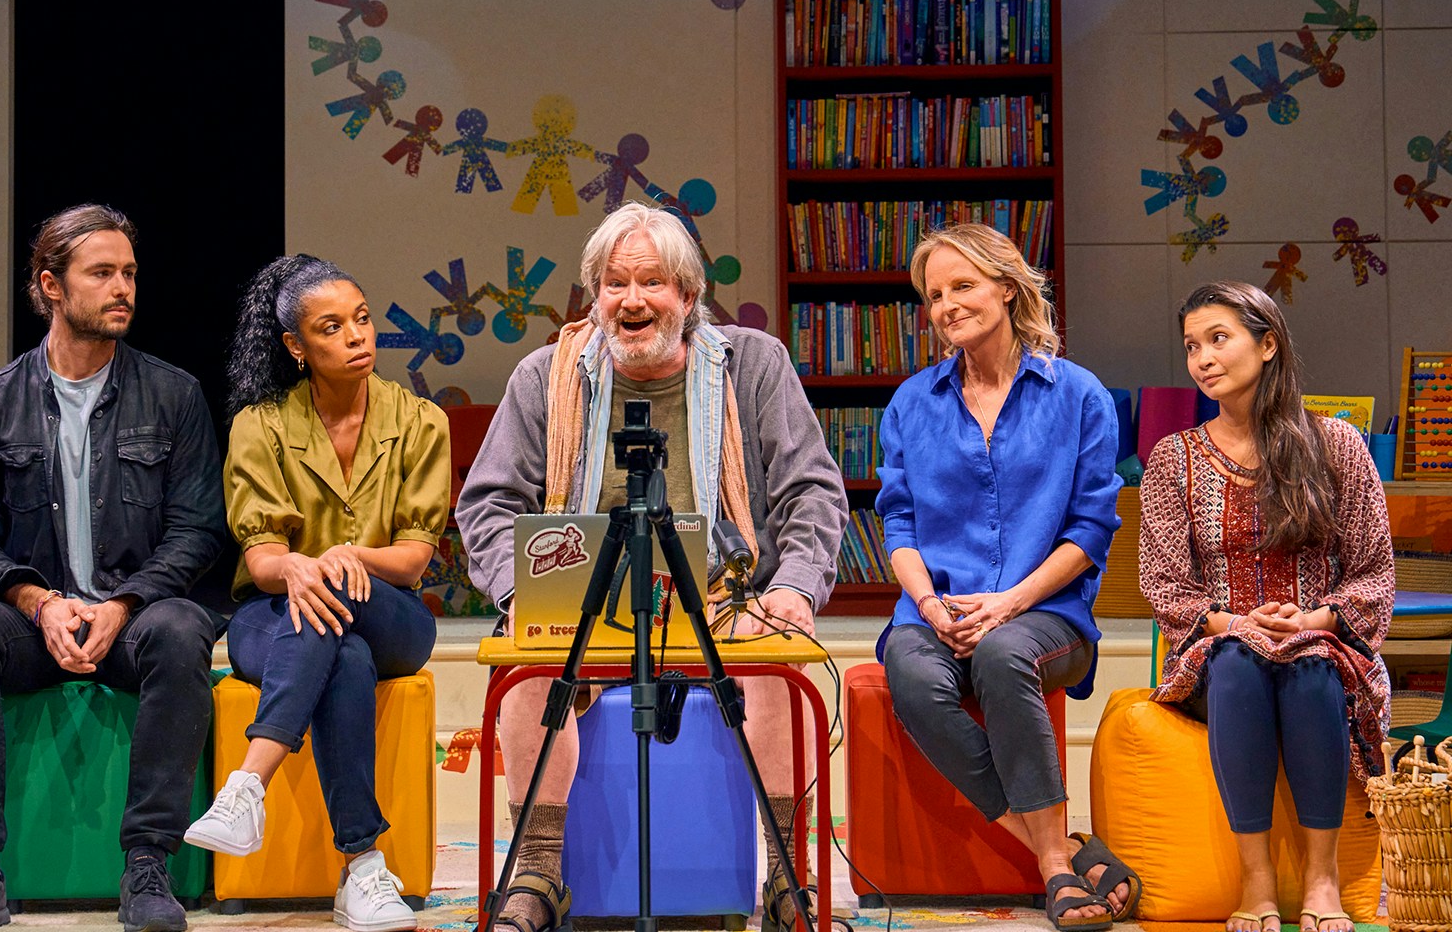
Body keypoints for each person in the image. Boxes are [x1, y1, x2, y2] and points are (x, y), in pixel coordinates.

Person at [456, 201, 849, 932]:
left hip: (726, 597)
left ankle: (788, 876)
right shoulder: (546, 375)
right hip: (581, 603)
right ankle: (537, 877)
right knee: (524, 673)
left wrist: (794, 588)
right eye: (613, 283)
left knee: (775, 670)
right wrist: (522, 593)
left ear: (690, 297)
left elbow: (813, 491)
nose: (631, 300)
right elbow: (485, 503)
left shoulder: (753, 365)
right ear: (595, 296)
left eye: (653, 283)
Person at [0, 204, 225, 932]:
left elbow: (196, 531)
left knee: (184, 628)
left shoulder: (174, 393)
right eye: (103, 273)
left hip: (129, 619)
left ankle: (149, 864)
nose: (123, 287)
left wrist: (122, 604)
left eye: (129, 273)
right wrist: (39, 603)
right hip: (35, 624)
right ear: (51, 284)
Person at [874, 223, 1138, 931]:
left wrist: (1008, 604)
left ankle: (1051, 866)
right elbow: (897, 524)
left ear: (1007, 286)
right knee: (912, 677)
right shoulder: (910, 403)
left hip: (1047, 612)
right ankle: (1065, 853)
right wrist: (926, 603)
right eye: (934, 295)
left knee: (1001, 650)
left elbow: (1090, 530)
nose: (947, 305)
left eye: (962, 285)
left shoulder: (1079, 395)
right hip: (937, 609)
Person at [182, 254, 444, 932]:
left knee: (344, 611)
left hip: (393, 616)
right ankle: (363, 868)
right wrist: (297, 568)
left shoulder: (419, 421)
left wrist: (343, 557)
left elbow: (414, 558)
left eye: (362, 319)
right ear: (296, 347)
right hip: (272, 615)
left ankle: (249, 783)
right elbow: (263, 556)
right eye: (332, 327)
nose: (357, 336)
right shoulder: (260, 426)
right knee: (343, 657)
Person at [1140, 281, 1392, 932]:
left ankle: (1322, 876)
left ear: (1268, 343)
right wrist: (1237, 624)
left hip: (1320, 638)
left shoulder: (1335, 446)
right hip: (1215, 647)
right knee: (1239, 663)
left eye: (1219, 338)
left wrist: (1311, 620)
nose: (1202, 358)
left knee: (1307, 666)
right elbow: (1166, 584)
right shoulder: (1175, 459)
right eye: (1192, 345)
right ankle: (1255, 880)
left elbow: (1372, 571)